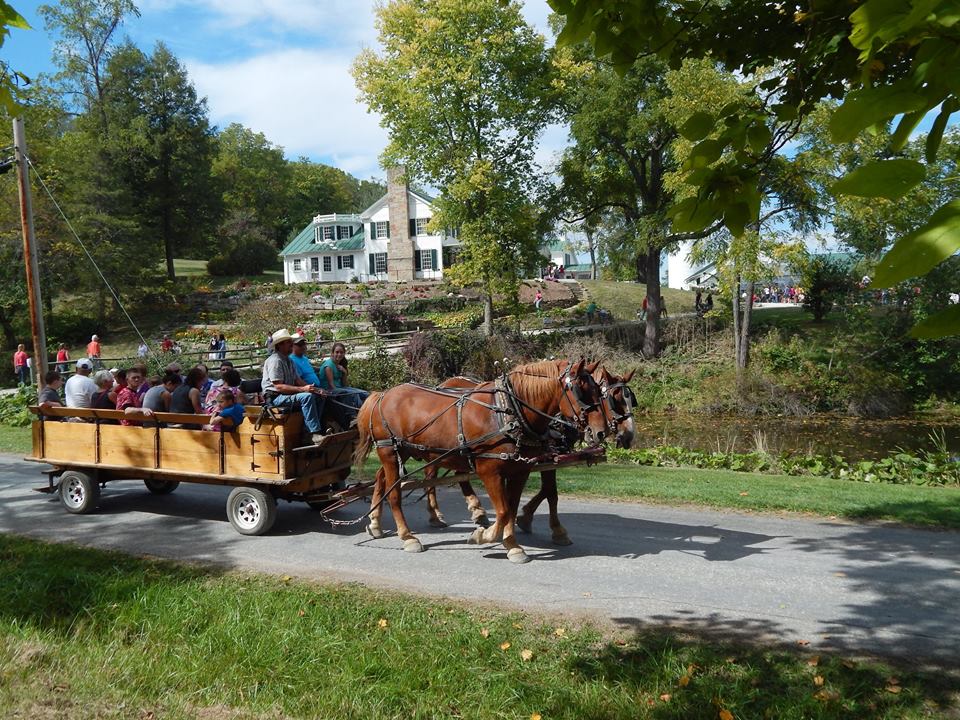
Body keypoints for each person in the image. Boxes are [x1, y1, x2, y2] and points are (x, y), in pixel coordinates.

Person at [261, 328, 328, 443]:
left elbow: (297, 380)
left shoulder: (289, 361)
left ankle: (309, 432)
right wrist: (304, 390)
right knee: (306, 397)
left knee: (319, 396)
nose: (291, 344)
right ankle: (313, 433)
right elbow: (279, 386)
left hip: (286, 394)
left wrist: (316, 390)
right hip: (275, 398)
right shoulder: (275, 361)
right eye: (288, 342)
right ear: (280, 345)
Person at [318, 342, 369, 427]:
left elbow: (345, 384)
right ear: (332, 353)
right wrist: (343, 392)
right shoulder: (328, 366)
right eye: (337, 352)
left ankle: (366, 412)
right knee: (353, 394)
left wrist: (344, 372)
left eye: (341, 352)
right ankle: (354, 416)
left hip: (340, 388)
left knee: (365, 394)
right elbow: (331, 385)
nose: (339, 354)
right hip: (329, 390)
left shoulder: (340, 365)